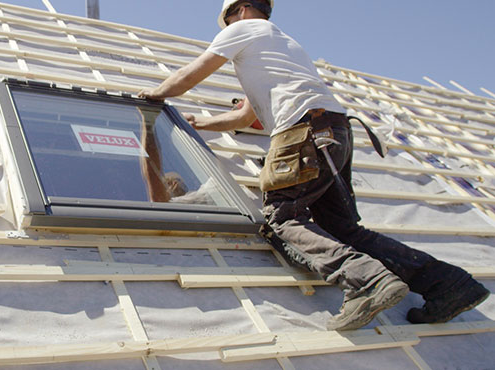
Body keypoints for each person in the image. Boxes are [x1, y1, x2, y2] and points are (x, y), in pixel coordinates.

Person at [138, 0, 489, 330]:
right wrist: (202, 122)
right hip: (334, 131)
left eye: (228, 20)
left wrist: (155, 96)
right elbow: (247, 116)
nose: (226, 28)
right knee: (343, 229)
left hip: (301, 132)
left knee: (282, 217)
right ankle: (449, 284)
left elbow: (193, 72)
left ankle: (367, 281)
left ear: (241, 9)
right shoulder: (281, 47)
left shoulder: (242, 30)